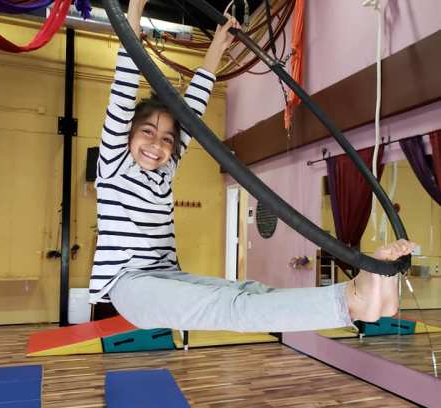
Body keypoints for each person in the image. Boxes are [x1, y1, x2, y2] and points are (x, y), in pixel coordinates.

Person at [89, 0, 416, 333]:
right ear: (127, 134)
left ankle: (373, 291)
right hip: (128, 283)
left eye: (166, 139)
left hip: (166, 276)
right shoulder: (115, 162)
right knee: (231, 307)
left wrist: (218, 45)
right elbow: (124, 83)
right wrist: (135, 9)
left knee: (249, 291)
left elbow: (193, 110)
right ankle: (352, 299)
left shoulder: (164, 170)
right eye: (147, 132)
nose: (156, 145)